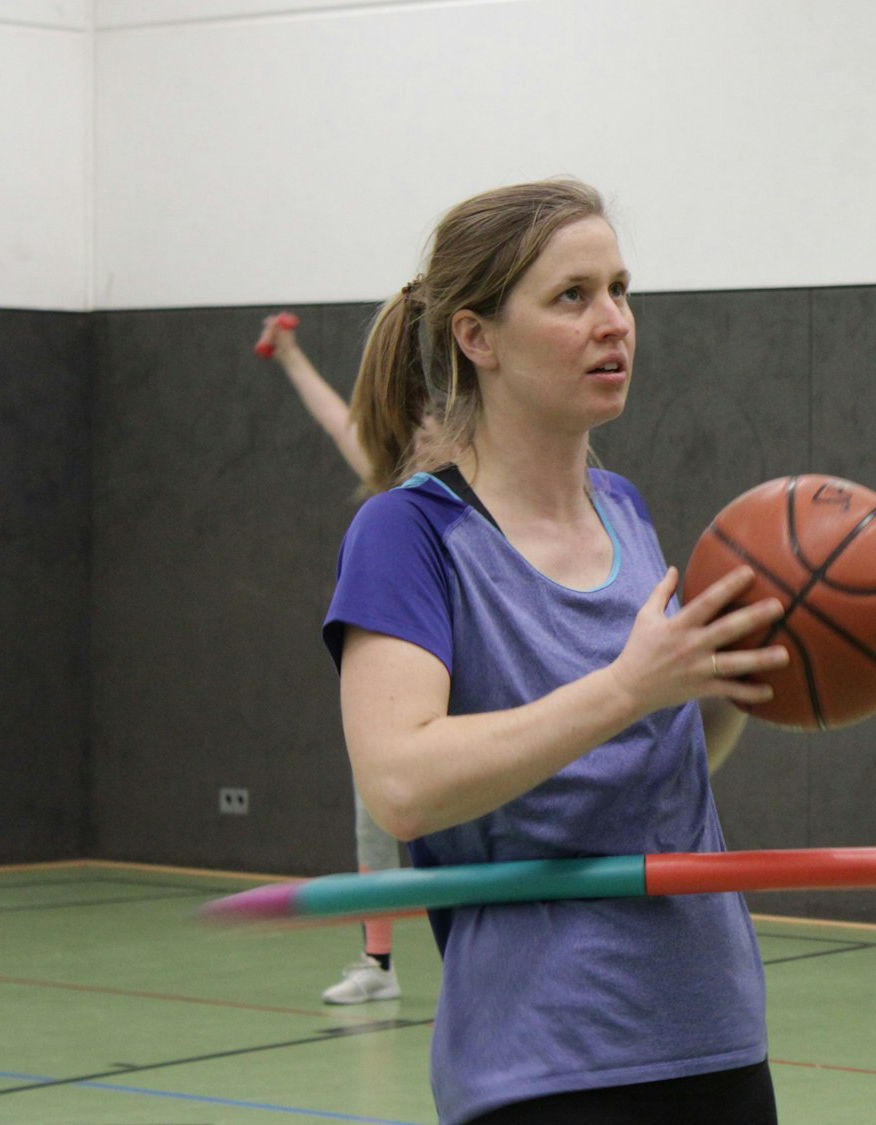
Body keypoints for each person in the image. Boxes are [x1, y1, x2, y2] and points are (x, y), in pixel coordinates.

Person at [323, 178, 790, 1123]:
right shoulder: (407, 534)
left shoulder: (624, 509)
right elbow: (402, 782)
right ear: (476, 337)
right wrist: (628, 686)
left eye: (621, 289)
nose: (613, 321)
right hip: (545, 1056)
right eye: (571, 296)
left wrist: (732, 679)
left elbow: (661, 756)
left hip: (712, 1025)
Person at [256, 312, 412, 1004]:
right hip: (399, 686)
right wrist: (289, 355)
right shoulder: (392, 484)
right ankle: (377, 963)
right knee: (373, 820)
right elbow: (335, 416)